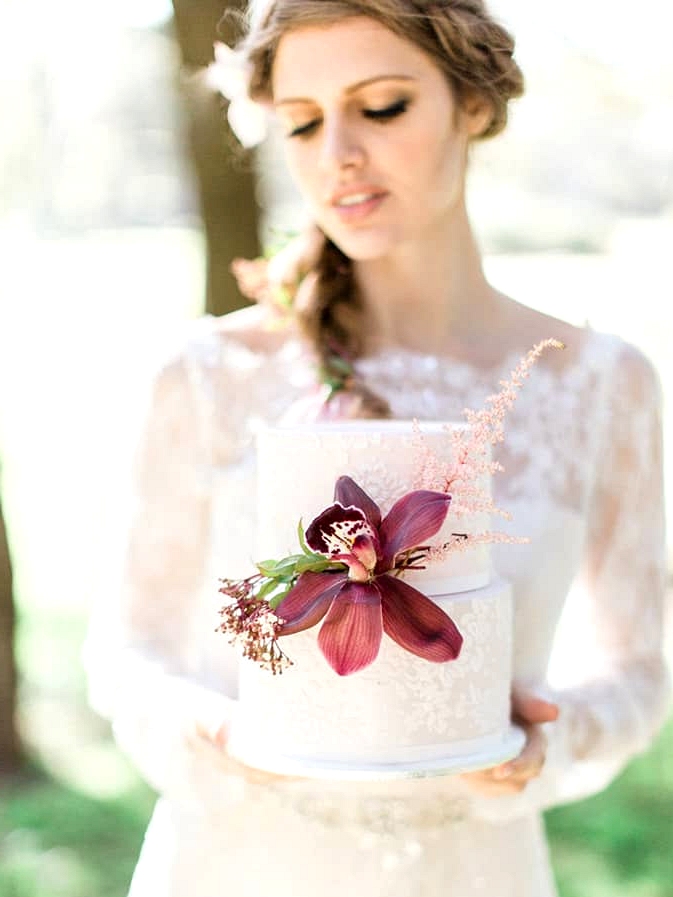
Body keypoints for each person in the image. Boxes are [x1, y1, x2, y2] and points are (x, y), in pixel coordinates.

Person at [84, 2, 670, 895]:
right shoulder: (205, 376)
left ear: (470, 103)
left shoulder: (599, 383)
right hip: (238, 862)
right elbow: (126, 656)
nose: (337, 157)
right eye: (304, 122)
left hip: (475, 866)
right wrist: (226, 732)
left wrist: (543, 741)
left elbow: (636, 672)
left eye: (383, 106)